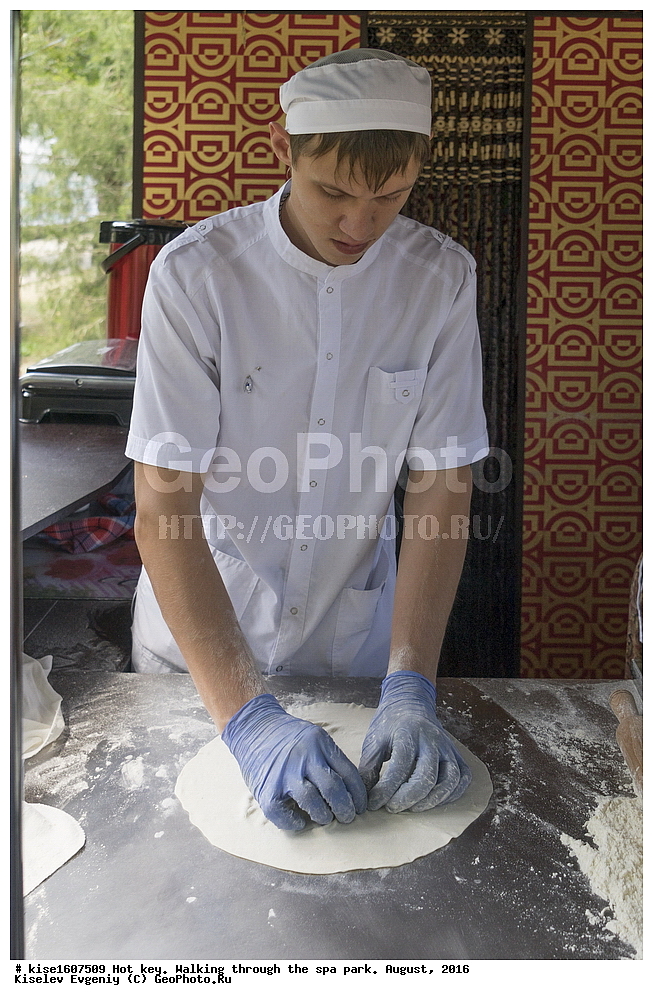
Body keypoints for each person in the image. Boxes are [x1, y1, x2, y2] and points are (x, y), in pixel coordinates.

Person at [126, 49, 489, 832]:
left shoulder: (439, 280)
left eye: (390, 197)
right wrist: (247, 719)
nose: (360, 224)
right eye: (333, 191)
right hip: (199, 664)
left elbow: (441, 486)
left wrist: (409, 684)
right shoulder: (197, 276)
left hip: (354, 654)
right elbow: (164, 506)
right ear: (282, 151)